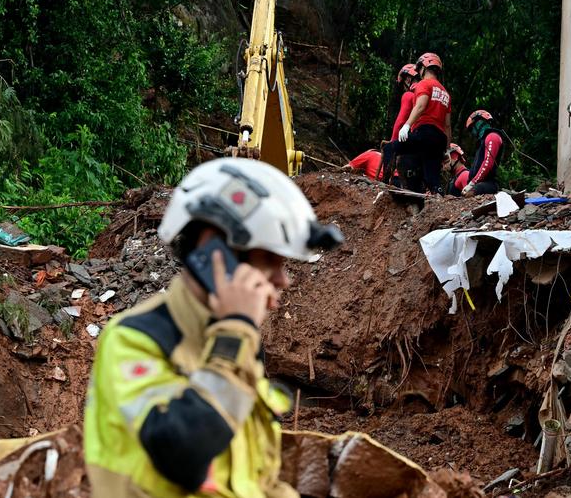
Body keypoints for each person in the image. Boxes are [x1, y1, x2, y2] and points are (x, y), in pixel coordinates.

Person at [84, 158, 343, 498]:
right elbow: (183, 453)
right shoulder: (134, 339)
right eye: (270, 260)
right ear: (214, 252)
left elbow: (252, 476)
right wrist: (235, 332)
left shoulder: (233, 339)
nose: (284, 279)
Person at [394, 52, 451, 193]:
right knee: (432, 177)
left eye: (419, 68)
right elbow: (447, 125)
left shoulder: (424, 84)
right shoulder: (445, 93)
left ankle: (386, 184)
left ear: (424, 67)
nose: (418, 71)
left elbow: (420, 106)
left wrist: (406, 126)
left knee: (391, 149)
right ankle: (436, 197)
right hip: (439, 139)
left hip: (424, 132)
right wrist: (448, 149)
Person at [381, 63, 421, 188]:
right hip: (424, 140)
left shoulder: (409, 95)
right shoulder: (425, 94)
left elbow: (401, 120)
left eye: (404, 81)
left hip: (410, 139)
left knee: (389, 149)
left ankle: (385, 181)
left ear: (408, 78)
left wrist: (392, 142)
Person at [460, 110, 510, 196]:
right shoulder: (482, 143)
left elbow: (487, 163)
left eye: (472, 128)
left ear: (479, 122)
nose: (473, 132)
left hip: (488, 183)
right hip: (478, 182)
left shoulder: (492, 136)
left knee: (470, 193)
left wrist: (472, 183)